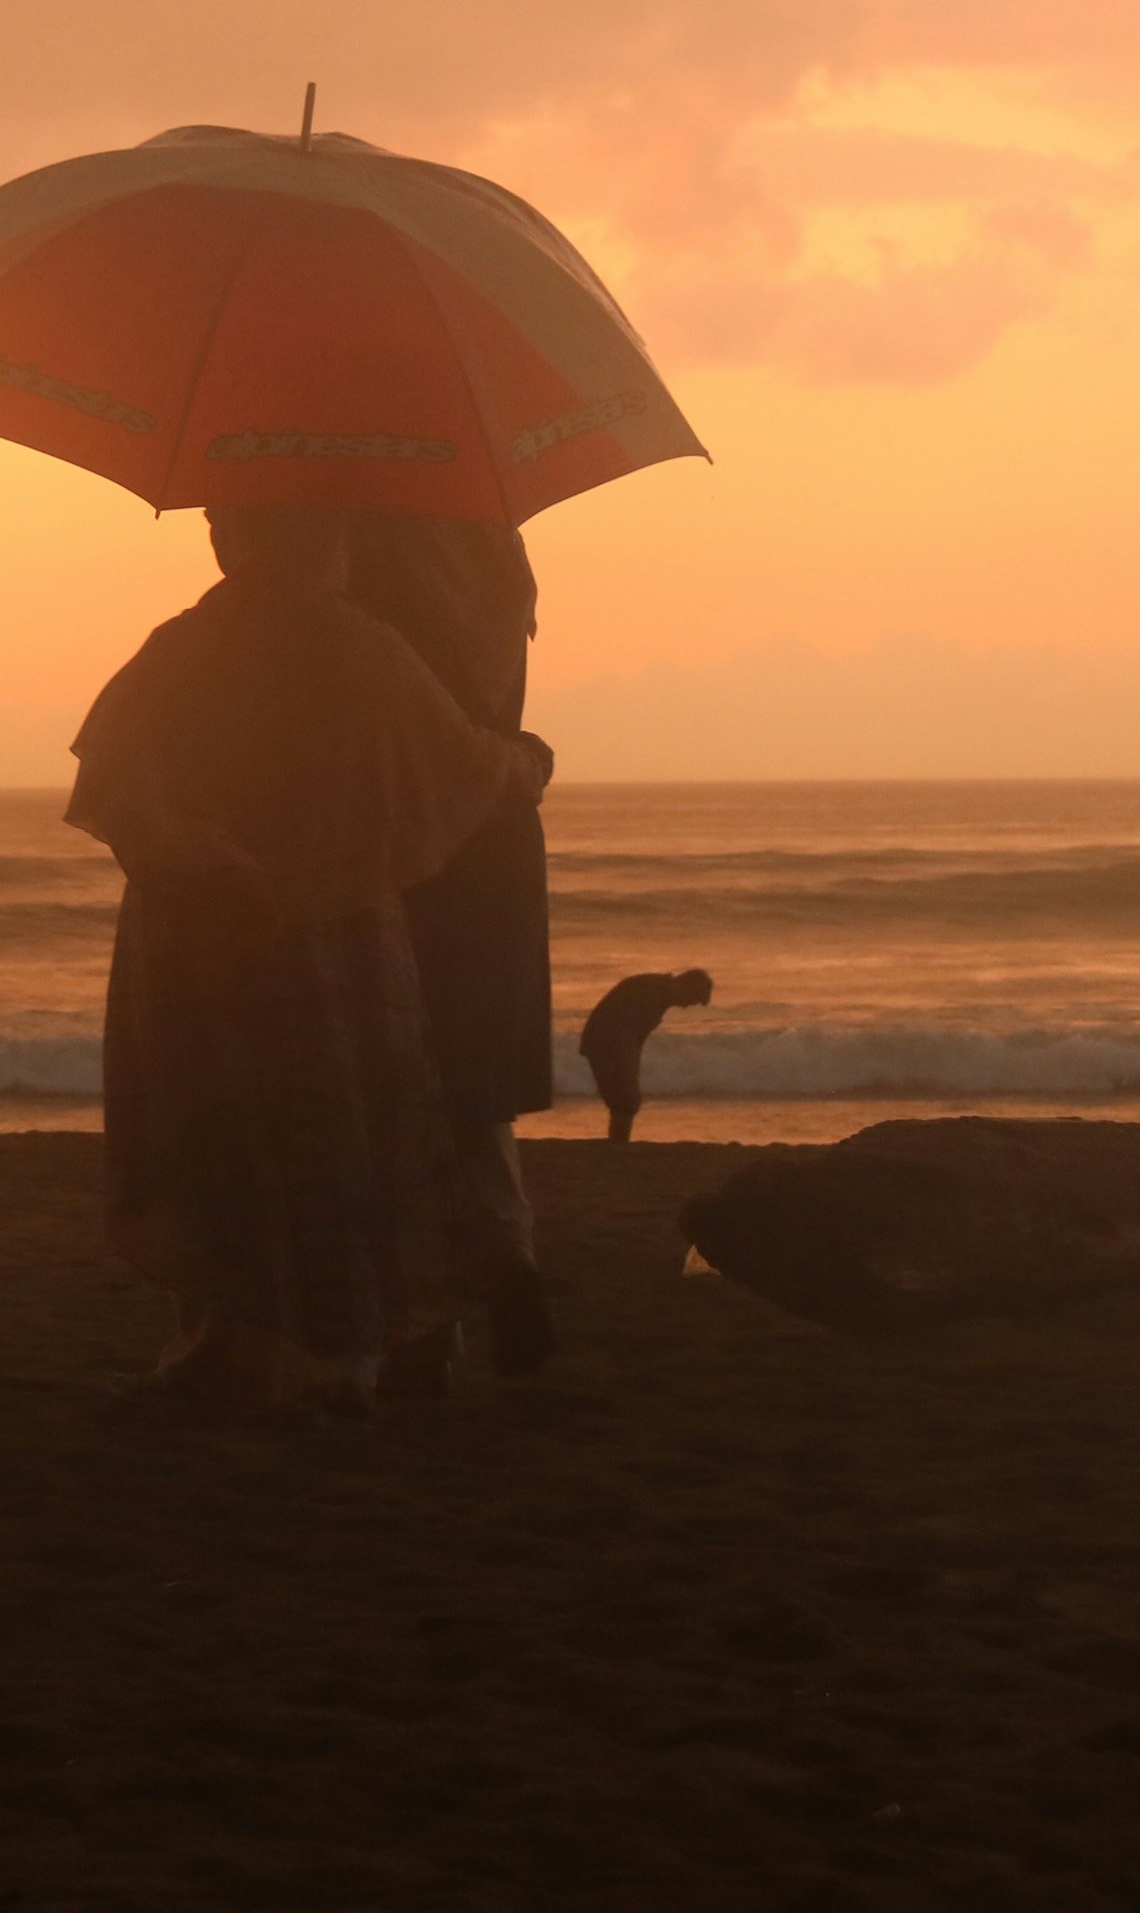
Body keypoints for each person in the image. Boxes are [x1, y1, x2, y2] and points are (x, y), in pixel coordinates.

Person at [71, 504, 550, 1420]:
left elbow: (115, 786)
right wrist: (527, 762)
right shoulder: (362, 648)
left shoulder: (183, 647)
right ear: (328, 545)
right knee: (352, 1144)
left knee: (210, 1141)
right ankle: (357, 1359)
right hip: (338, 945)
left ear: (231, 542)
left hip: (196, 945)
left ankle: (223, 1350)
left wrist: (208, 861)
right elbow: (464, 767)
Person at [342, 512, 558, 1378]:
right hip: (497, 835)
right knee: (474, 1091)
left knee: (391, 1087)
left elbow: (375, 713)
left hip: (406, 829)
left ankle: (430, 1329)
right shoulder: (497, 552)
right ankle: (506, 1256)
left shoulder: (372, 558)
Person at [578, 969, 713, 1140]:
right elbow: (626, 1033)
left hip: (609, 1042)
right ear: (685, 986)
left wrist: (632, 1066)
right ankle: (618, 1145)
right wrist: (628, 1067)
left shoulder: (659, 991)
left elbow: (635, 1037)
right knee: (626, 1100)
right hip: (603, 1042)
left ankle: (618, 1143)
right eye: (692, 999)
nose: (686, 1006)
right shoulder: (652, 993)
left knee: (625, 1100)